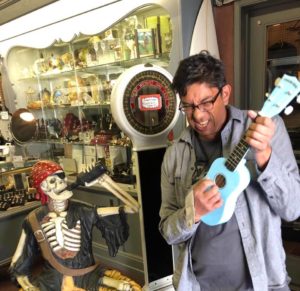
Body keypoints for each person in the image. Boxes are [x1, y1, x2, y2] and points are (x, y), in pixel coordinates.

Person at [159, 50, 300, 291]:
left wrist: (264, 155)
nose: (198, 115)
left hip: (261, 285)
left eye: (205, 103)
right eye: (188, 106)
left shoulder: (265, 129)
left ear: (225, 93)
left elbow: (293, 208)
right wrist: (194, 212)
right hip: (197, 286)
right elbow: (168, 231)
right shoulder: (175, 154)